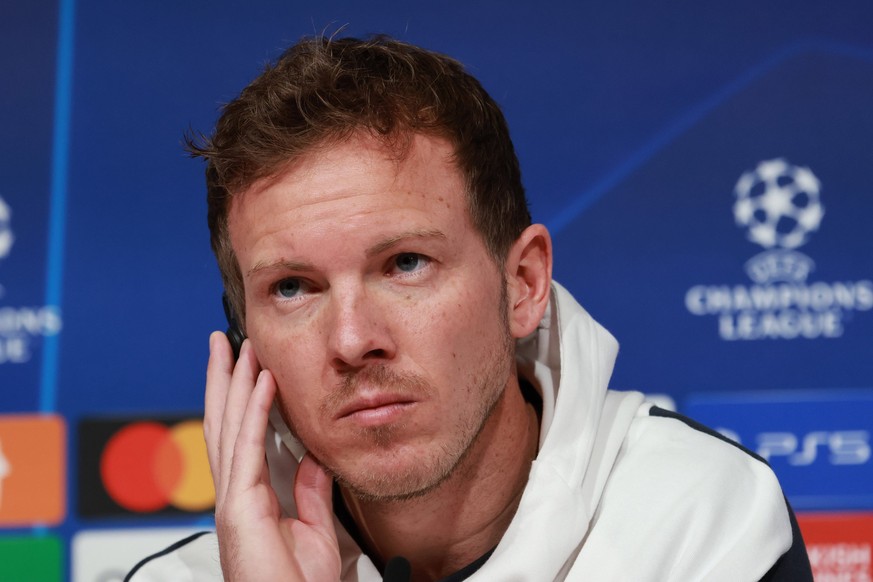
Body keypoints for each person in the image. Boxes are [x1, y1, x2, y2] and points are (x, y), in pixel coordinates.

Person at [127, 35, 812, 581]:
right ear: (243, 335)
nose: (352, 339)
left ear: (522, 284)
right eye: (293, 288)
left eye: (404, 264)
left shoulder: (696, 517)